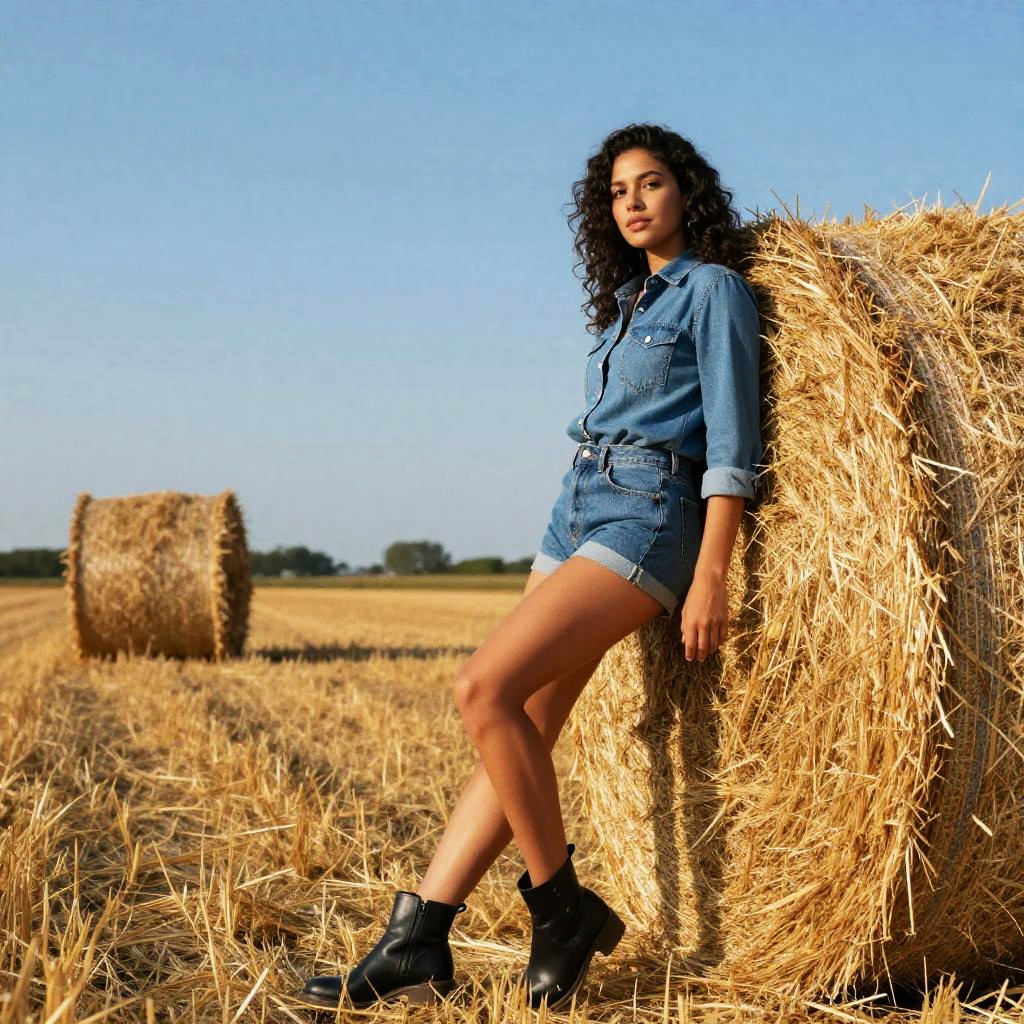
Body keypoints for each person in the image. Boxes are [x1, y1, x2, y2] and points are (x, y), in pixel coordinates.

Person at [298, 122, 763, 1014]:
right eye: (618, 190)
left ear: (687, 194)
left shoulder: (714, 293)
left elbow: (733, 442)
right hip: (574, 510)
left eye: (652, 183)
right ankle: (419, 937)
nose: (632, 201)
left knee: (482, 689)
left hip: (650, 512)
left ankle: (560, 910)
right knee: (519, 725)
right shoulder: (627, 302)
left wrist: (712, 572)